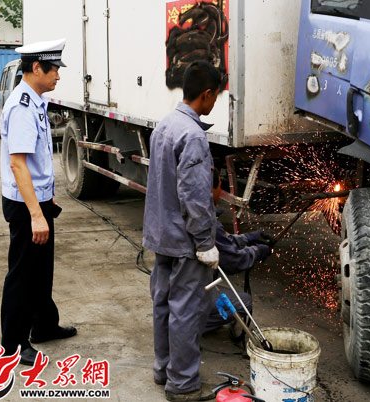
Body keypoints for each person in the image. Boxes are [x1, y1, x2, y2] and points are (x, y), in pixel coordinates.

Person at [143, 61, 222, 401]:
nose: (215, 102)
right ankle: (183, 383)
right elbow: (195, 195)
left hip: (161, 234)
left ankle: (163, 368)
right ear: (206, 94)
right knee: (186, 310)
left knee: (162, 302)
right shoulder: (193, 135)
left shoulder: (165, 125)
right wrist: (205, 242)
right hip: (185, 240)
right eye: (216, 97)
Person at [0, 38, 76, 366]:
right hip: (25, 205)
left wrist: (46, 196)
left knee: (41, 269)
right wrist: (35, 213)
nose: (58, 75)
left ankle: (44, 325)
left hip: (39, 198)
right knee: (22, 273)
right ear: (36, 68)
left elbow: (36, 160)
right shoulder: (21, 107)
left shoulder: (36, 101)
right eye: (54, 68)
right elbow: (18, 164)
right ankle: (13, 344)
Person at [205, 169, 272, 334]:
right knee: (244, 303)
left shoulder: (187, 211)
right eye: (219, 187)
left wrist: (248, 237)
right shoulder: (207, 221)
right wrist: (257, 251)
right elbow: (232, 261)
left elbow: (223, 243)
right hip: (191, 293)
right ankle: (195, 325)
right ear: (211, 189)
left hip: (172, 288)